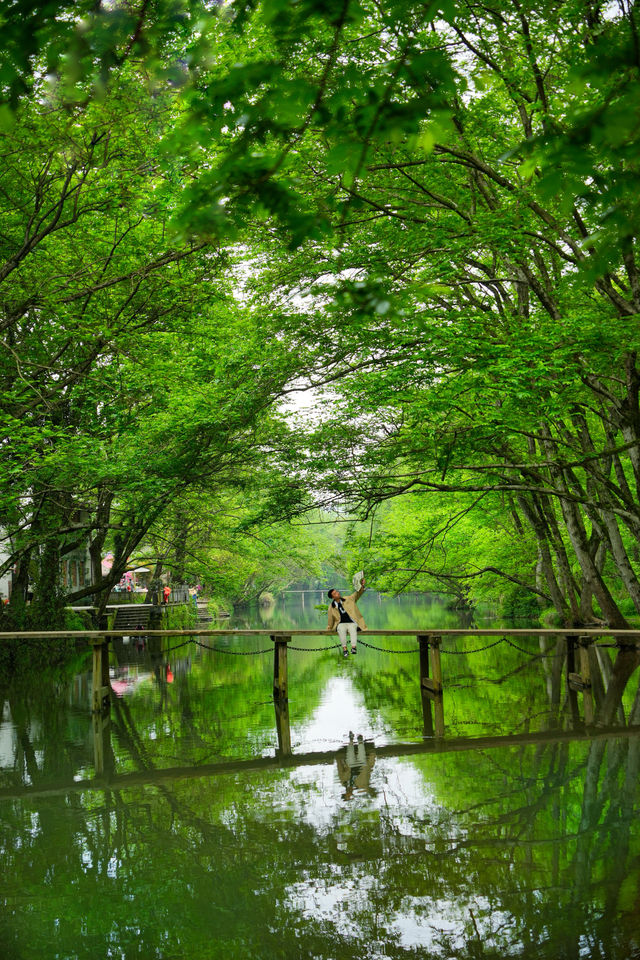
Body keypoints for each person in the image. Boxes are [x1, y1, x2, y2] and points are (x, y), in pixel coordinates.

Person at [327, 576, 366, 657]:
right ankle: (345, 649)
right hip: (341, 623)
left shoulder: (348, 599)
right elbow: (330, 618)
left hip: (352, 621)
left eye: (336, 592)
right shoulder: (332, 606)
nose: (337, 593)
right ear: (332, 597)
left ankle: (353, 648)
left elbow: (357, 594)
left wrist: (362, 586)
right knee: (341, 629)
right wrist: (329, 627)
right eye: (334, 593)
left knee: (352, 629)